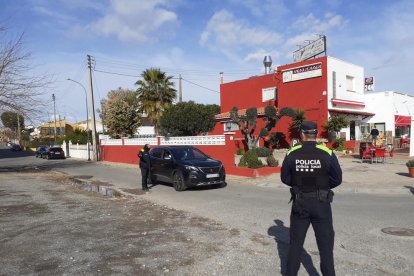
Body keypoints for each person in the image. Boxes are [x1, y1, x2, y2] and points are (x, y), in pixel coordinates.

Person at [281, 121, 342, 276]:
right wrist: (321, 186)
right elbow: (337, 179)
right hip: (322, 204)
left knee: (295, 245)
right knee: (326, 248)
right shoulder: (327, 152)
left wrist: (299, 183)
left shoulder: (292, 153)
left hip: (300, 203)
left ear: (302, 134)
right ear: (315, 134)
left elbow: (285, 178)